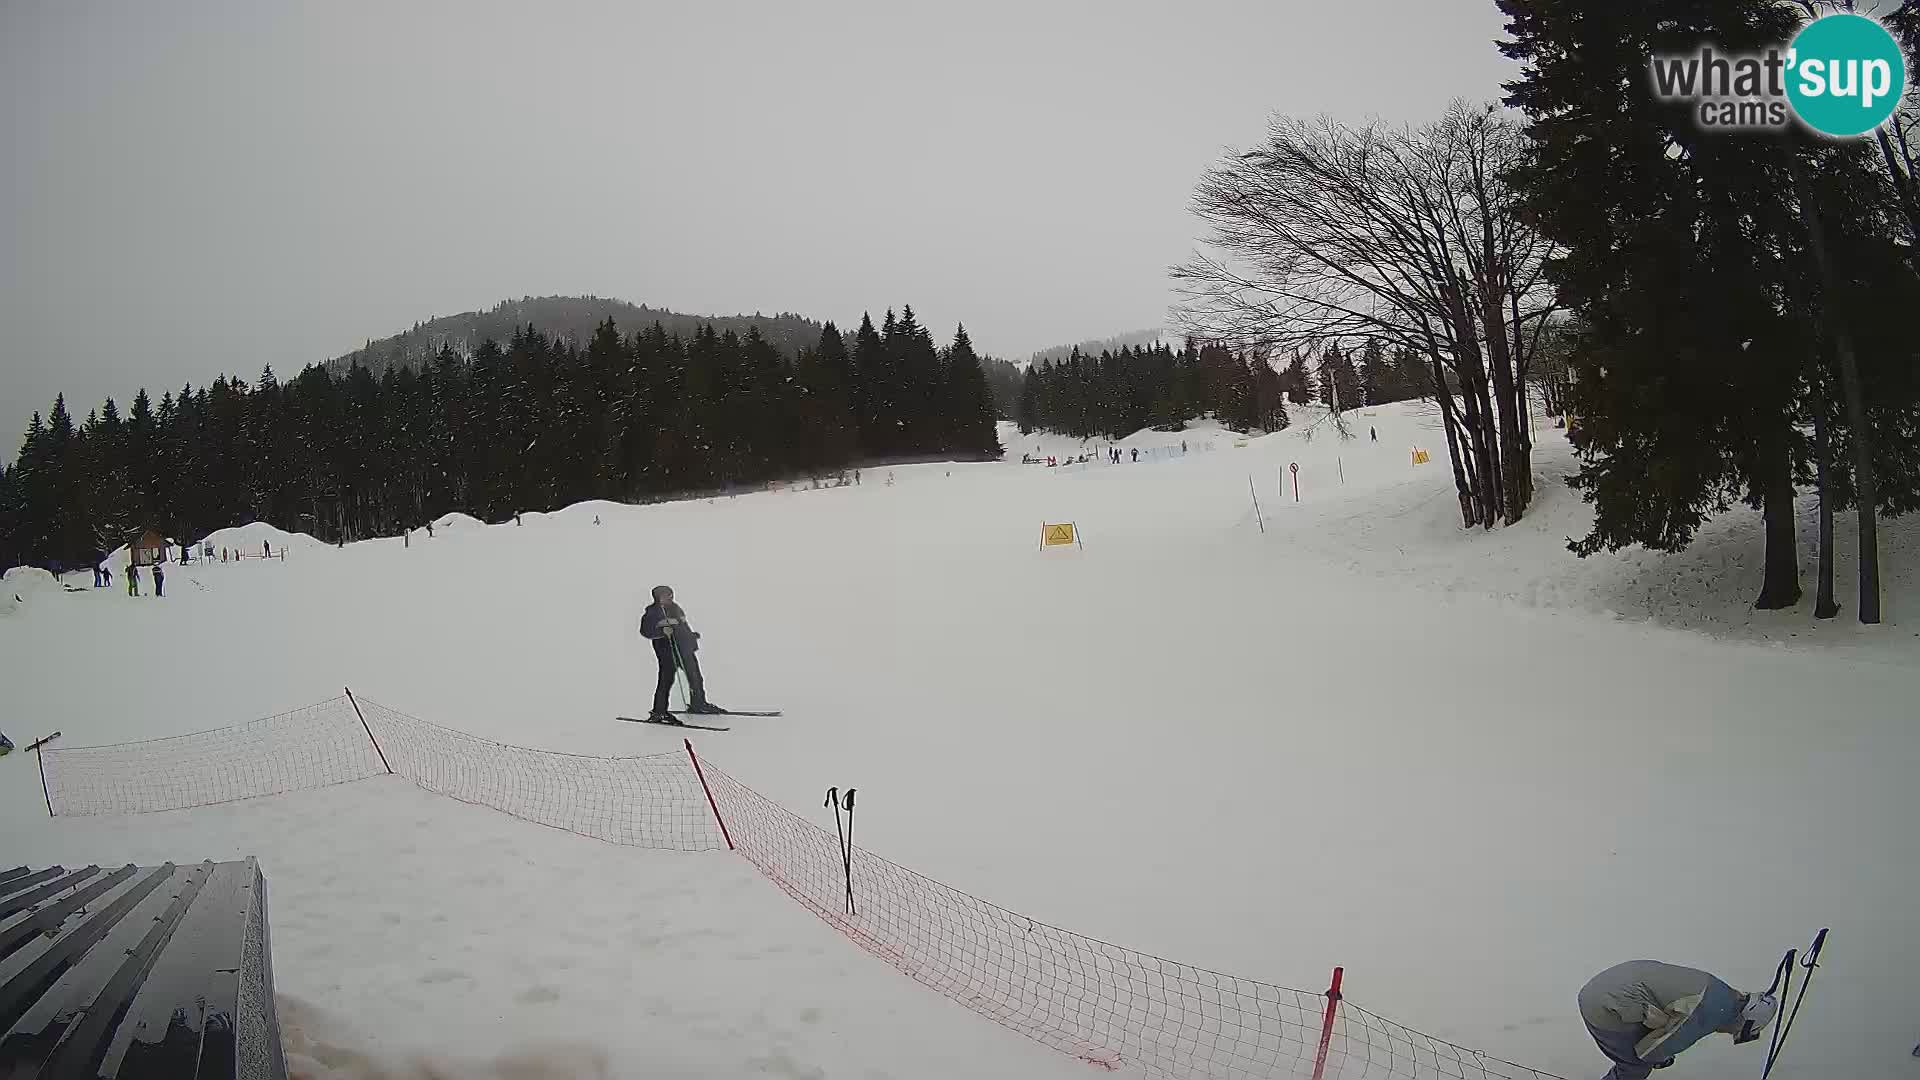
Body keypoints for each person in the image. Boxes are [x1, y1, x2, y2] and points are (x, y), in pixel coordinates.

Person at [1579, 960, 1778, 1080]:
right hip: (1606, 1005)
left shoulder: (1719, 990)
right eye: (1738, 1030)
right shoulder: (1714, 1012)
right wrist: (1661, 1056)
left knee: (1650, 1031)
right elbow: (1650, 1051)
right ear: (1746, 1019)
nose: (1727, 1032)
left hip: (1603, 986)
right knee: (1635, 1065)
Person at [640, 585, 724, 720]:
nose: (669, 598)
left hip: (685, 649)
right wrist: (662, 632)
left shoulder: (675, 609)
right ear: (657, 598)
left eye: (670, 595)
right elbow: (645, 631)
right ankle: (659, 711)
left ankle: (698, 704)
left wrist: (691, 636)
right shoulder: (653, 613)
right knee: (666, 681)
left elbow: (683, 627)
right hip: (667, 652)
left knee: (695, 677)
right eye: (665, 596)